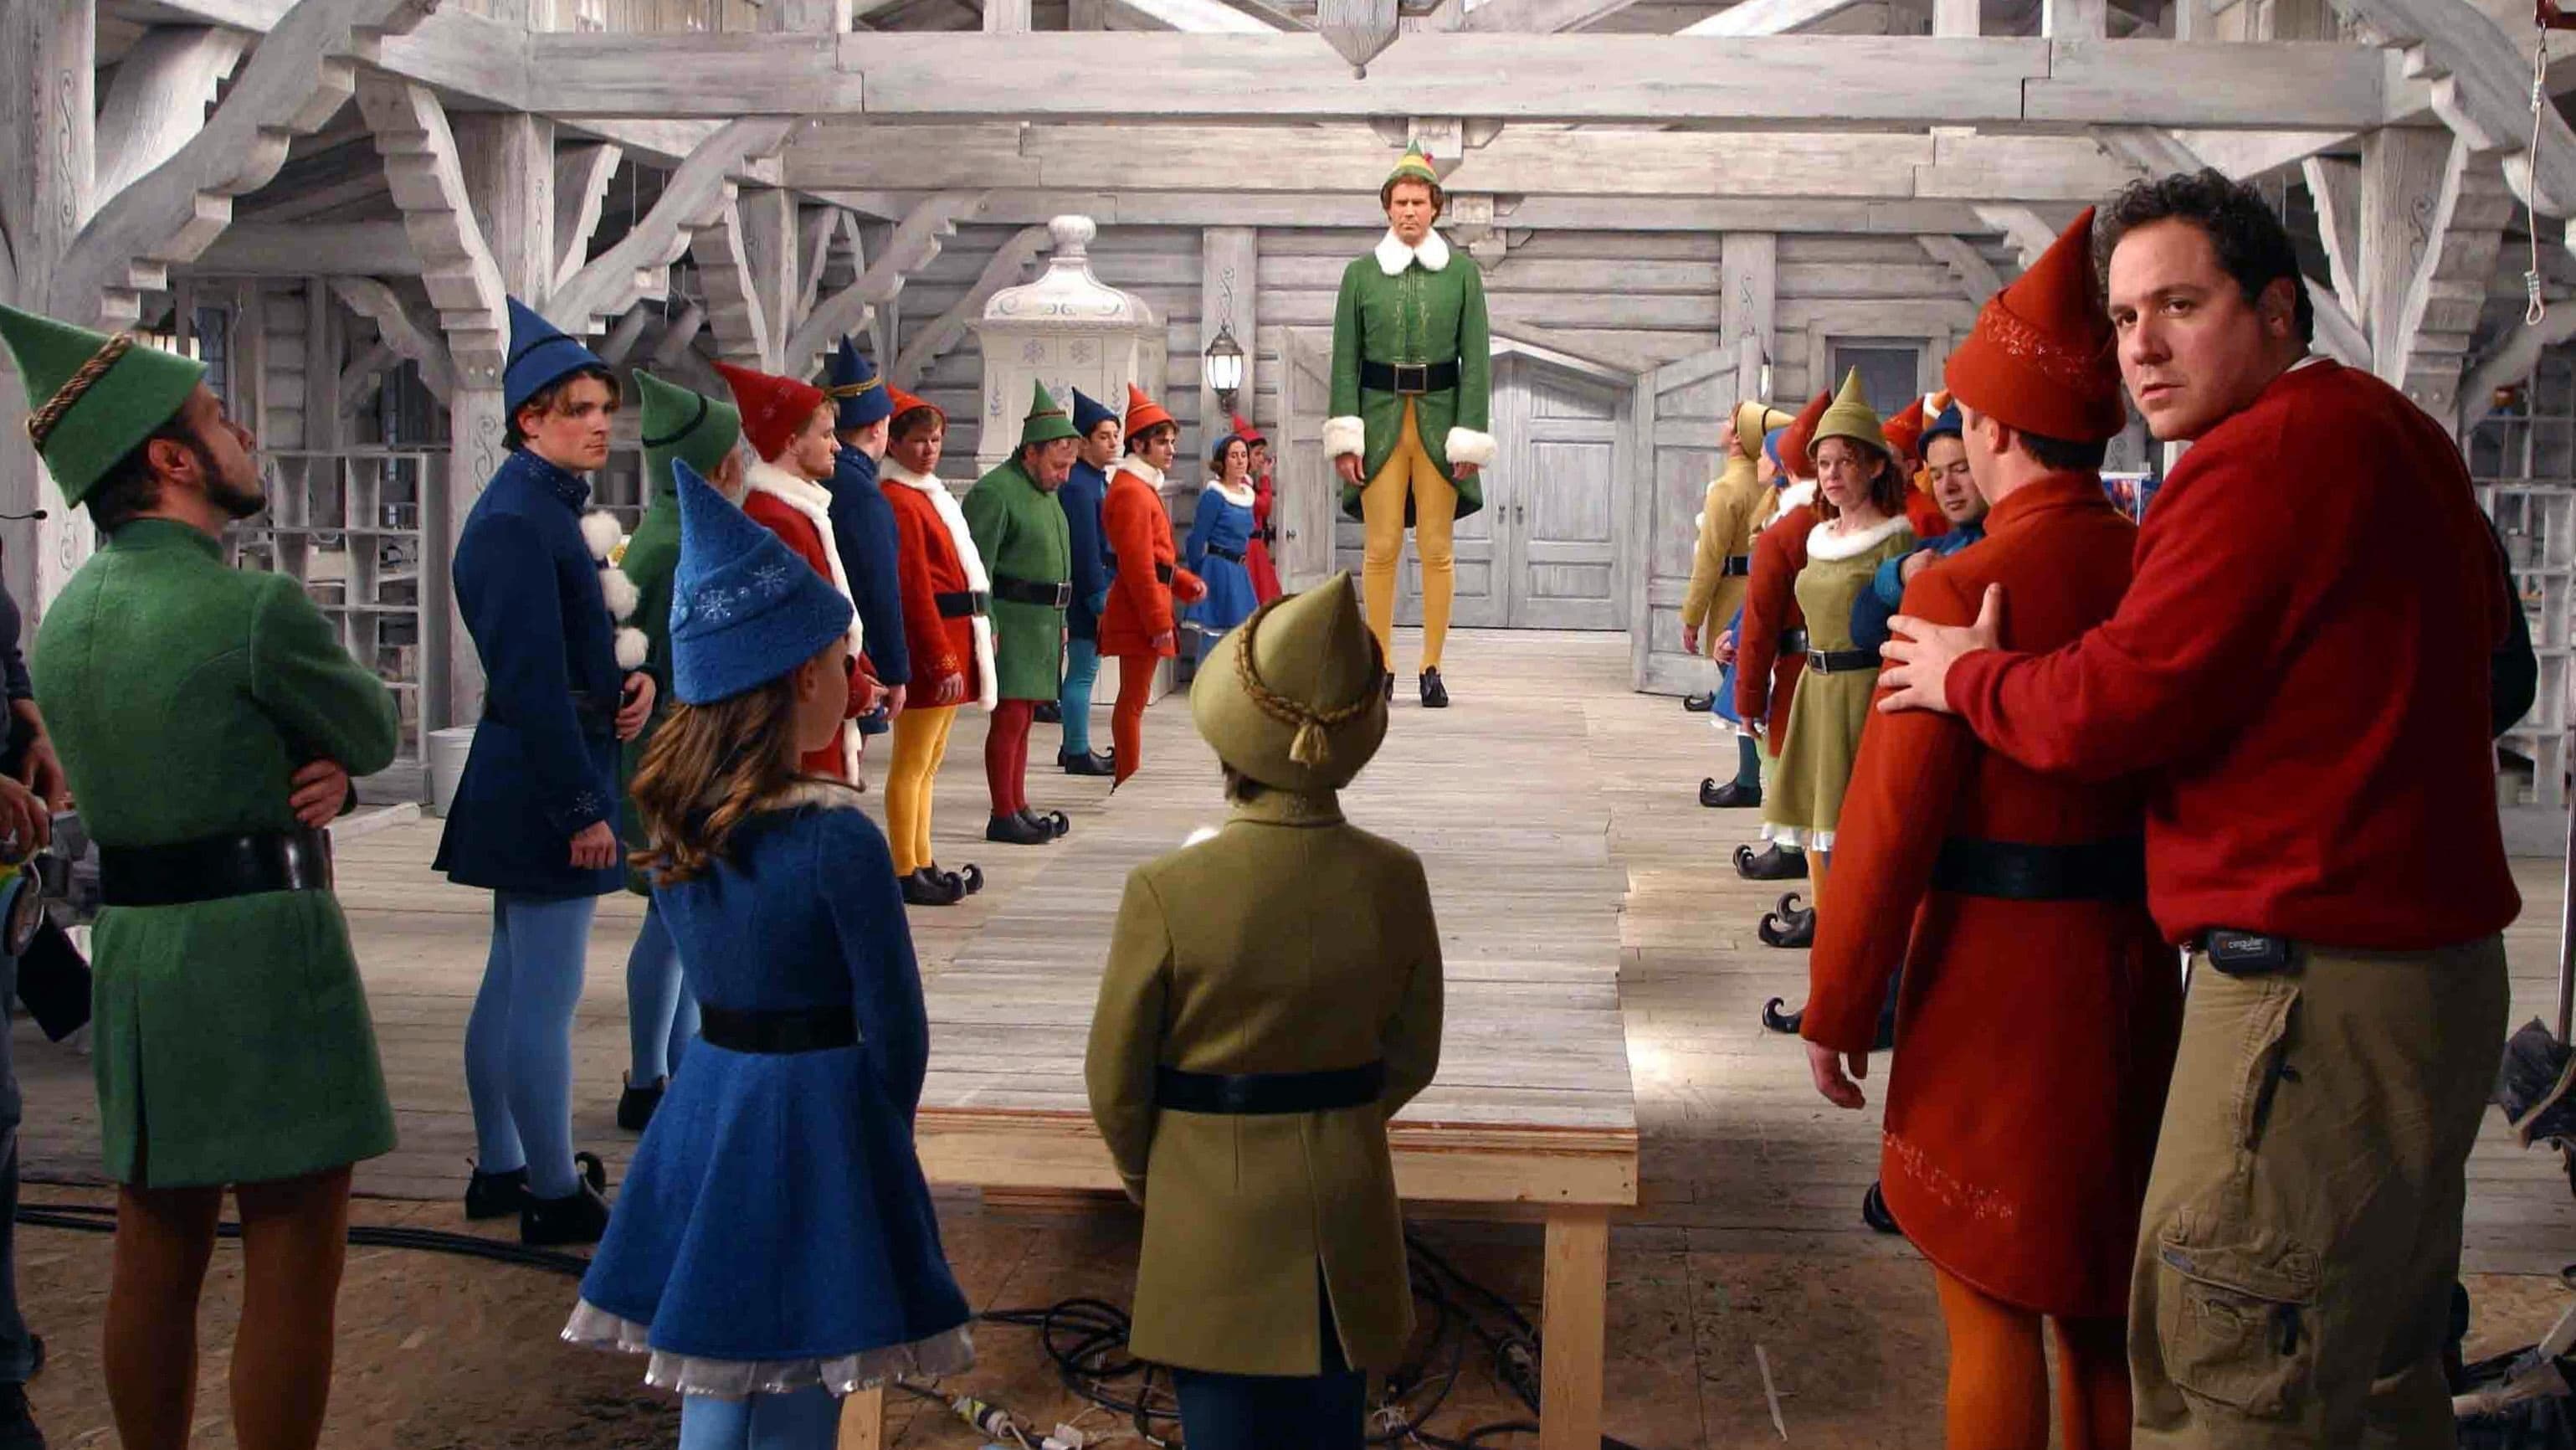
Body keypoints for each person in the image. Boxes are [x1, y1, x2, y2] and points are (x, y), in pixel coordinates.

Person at [1877, 170, 2522, 1447]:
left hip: (2304, 996)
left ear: (2275, 311)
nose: (2142, 348)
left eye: (2179, 305)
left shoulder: (2250, 464)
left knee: (2230, 1369)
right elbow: (2505, 675)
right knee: (2378, 1371)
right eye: (2124, 319)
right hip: (2438, 985)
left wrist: (1967, 679)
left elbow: (2116, 704)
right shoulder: (2399, 434)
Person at [1800, 208, 2179, 1450]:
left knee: (1987, 1303)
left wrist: (1837, 1007)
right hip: (2132, 968)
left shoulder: (1958, 589)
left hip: (1991, 987)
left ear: (2000, 431)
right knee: (2099, 1303)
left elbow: (1887, 830)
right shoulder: (2153, 566)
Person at [5, 301, 399, 1450]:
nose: (242, 435)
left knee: (154, 1246)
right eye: (220, 417)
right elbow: (370, 729)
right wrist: (328, 766)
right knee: (293, 1250)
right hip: (263, 951)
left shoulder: (67, 624)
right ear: (173, 460)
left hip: (136, 957)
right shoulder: (251, 606)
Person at [568, 462, 975, 1450]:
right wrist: (877, 1133)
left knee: (714, 1339)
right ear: (802, 678)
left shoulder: (678, 822)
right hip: (822, 1109)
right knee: (805, 1347)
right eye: (844, 661)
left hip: (710, 1099)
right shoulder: (838, 841)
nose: (856, 681)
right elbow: (898, 1025)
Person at [1085, 572, 1442, 1450]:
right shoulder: (1395, 878)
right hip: (1347, 1203)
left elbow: (1115, 1080)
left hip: (1209, 1211)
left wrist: (1156, 1172)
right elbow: (1414, 1053)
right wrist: (1340, 1118)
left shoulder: (1166, 889)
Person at [438, 299, 650, 1247]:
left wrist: (628, 681)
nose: (600, 424)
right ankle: (554, 1191)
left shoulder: (541, 507)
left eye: (605, 408)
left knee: (513, 979)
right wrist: (581, 806)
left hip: (544, 759)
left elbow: (570, 648)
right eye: (578, 410)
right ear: (529, 419)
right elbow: (527, 680)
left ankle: (502, 1165)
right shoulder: (518, 522)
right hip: (541, 774)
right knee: (545, 997)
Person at [611, 372, 741, 1134]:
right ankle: (648, 1074)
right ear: (713, 465)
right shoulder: (672, 544)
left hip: (689, 752)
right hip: (676, 757)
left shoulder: (679, 531)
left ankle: (680, 1064)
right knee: (672, 917)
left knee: (688, 918)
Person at [1326, 143, 1496, 709]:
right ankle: (1382, 667)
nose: (1409, 211)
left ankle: (1432, 667)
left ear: (1435, 207)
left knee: (1437, 548)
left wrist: (1469, 435)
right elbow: (1344, 361)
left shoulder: (1463, 275)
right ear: (1387, 207)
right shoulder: (1359, 275)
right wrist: (1345, 437)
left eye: (1418, 202)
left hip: (1440, 424)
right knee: (1380, 548)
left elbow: (1476, 360)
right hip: (1378, 426)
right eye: (1400, 202)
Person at [1757, 372, 1913, 949]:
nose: (1833, 473)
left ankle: (1858, 940)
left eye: (1846, 461)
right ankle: (1830, 932)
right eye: (1824, 463)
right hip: (1815, 690)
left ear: (1874, 466)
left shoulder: (1897, 540)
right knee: (1819, 830)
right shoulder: (1818, 535)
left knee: (1857, 830)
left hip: (1864, 692)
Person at [715, 361, 875, 783]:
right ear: (791, 442)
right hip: (804, 712)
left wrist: (860, 669)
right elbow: (801, 628)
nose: (837, 447)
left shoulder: (797, 510)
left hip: (821, 697)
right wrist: (853, 686)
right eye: (825, 435)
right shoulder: (776, 519)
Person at [879, 389, 993, 907]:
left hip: (954, 633)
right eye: (920, 441)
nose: (930, 450)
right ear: (894, 444)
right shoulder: (901, 500)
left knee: (930, 760)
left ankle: (923, 859)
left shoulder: (927, 494)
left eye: (937, 440)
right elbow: (914, 587)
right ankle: (904, 866)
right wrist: (941, 658)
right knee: (912, 759)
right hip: (933, 642)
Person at [964, 383, 1080, 847]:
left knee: (1026, 716)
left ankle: (1019, 804)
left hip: (1044, 624)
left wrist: (1063, 619)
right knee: (1010, 718)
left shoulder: (1045, 493)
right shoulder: (995, 493)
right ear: (1031, 452)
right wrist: (987, 623)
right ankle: (1002, 812)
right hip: (1011, 624)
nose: (1064, 476)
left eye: (1069, 467)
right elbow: (976, 566)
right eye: (1058, 466)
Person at [1732, 388, 1830, 900]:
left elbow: (1760, 625)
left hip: (1795, 668)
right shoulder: (1859, 523)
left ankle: (1793, 850)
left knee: (1787, 761)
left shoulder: (1785, 532)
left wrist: (1747, 700)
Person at [1096, 385, 1206, 787]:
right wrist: (1159, 621)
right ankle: (1127, 775)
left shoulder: (1140, 488)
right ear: (1139, 445)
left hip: (1143, 603)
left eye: (1173, 442)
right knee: (1133, 699)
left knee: (1135, 698)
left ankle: (1128, 773)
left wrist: (1183, 582)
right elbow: (1138, 565)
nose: (1171, 450)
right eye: (1162, 442)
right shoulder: (1131, 492)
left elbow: (1154, 562)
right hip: (1136, 609)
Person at [1686, 399, 1793, 805]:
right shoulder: (1765, 484)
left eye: (1730, 421)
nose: (1723, 424)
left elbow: (1709, 558)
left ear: (1737, 437)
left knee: (1743, 686)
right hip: (1762, 591)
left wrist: (1692, 614)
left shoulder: (1728, 488)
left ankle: (1750, 778)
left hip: (1735, 593)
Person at [824, 339, 911, 753]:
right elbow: (881, 590)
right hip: (859, 654)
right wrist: (895, 671)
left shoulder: (822, 480)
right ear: (878, 428)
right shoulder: (862, 495)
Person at [1850, 403, 1985, 654]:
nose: (1948, 487)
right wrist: (1899, 574)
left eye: (1961, 469)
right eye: (1936, 476)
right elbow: (1863, 632)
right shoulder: (1933, 548)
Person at [1056, 389, 1119, 777]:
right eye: (1103, 436)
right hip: (1087, 591)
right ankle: (1077, 751)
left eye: (1115, 435)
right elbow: (1085, 549)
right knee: (1082, 670)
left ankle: (1071, 745)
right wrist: (1098, 599)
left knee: (1083, 669)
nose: (1113, 443)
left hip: (1097, 583)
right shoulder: (1080, 486)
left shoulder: (1095, 480)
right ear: (1083, 442)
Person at [1183, 434, 1262, 649]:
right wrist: (1200, 575)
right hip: (1217, 572)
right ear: (1222, 461)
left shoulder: (1247, 496)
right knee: (1215, 640)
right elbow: (1196, 540)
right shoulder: (1214, 496)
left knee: (1241, 639)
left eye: (1244, 455)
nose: (1240, 460)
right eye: (1234, 456)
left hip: (1240, 572)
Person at [1233, 412, 1284, 604]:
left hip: (1256, 549)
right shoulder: (1240, 484)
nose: (1261, 458)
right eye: (1257, 454)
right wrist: (1265, 478)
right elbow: (1263, 506)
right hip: (1249, 550)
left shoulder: (1246, 482)